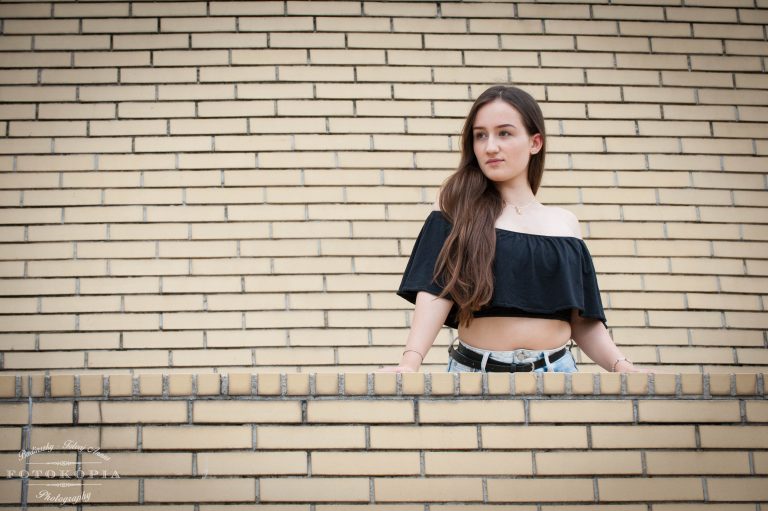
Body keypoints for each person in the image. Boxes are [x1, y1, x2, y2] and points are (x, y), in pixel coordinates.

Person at [382, 84, 651, 374]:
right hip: (476, 374)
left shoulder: (564, 223)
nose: (490, 146)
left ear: (535, 143)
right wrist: (410, 362)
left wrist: (622, 366)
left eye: (504, 133)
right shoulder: (457, 207)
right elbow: (435, 293)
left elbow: (582, 321)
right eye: (480, 135)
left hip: (558, 374)